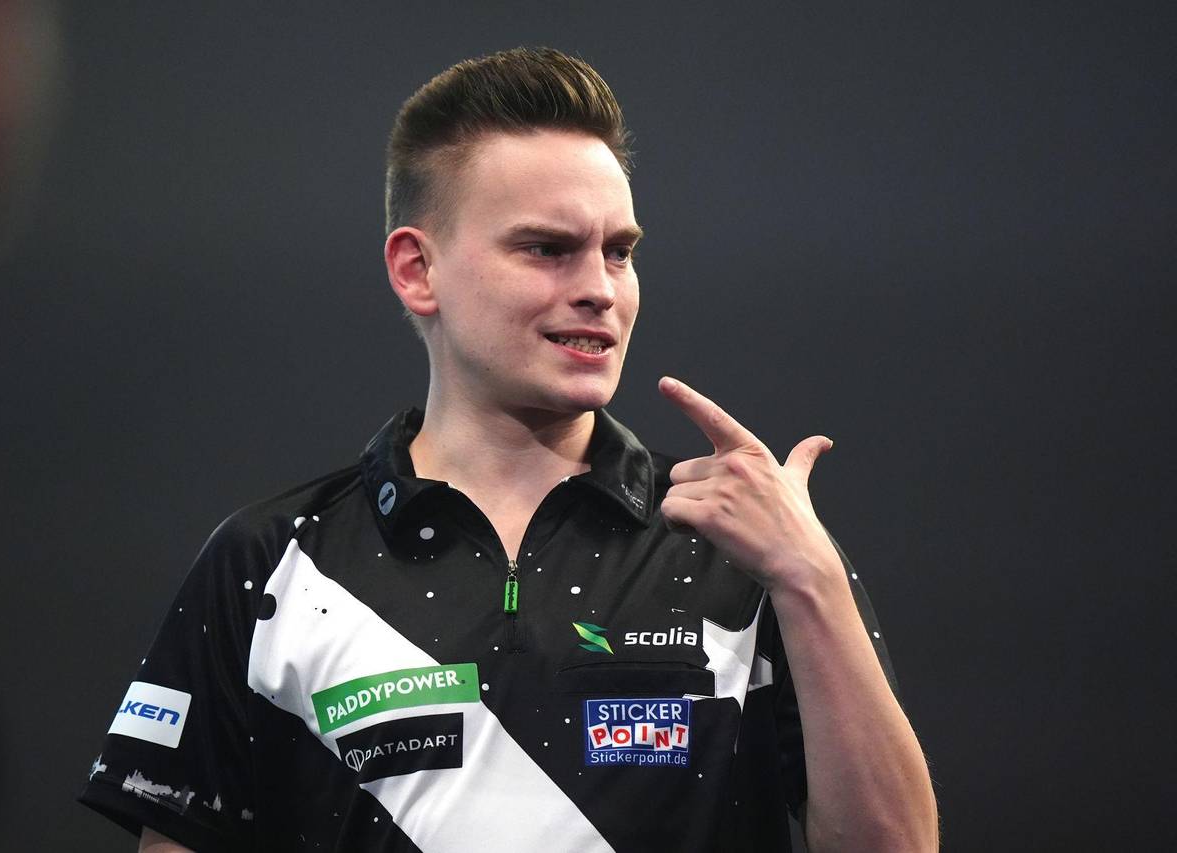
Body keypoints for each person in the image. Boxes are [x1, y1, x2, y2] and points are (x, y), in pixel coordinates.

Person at [79, 46, 937, 852]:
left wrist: (810, 577)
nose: (600, 289)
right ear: (418, 270)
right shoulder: (270, 563)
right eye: (547, 248)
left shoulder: (749, 549)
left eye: (620, 252)